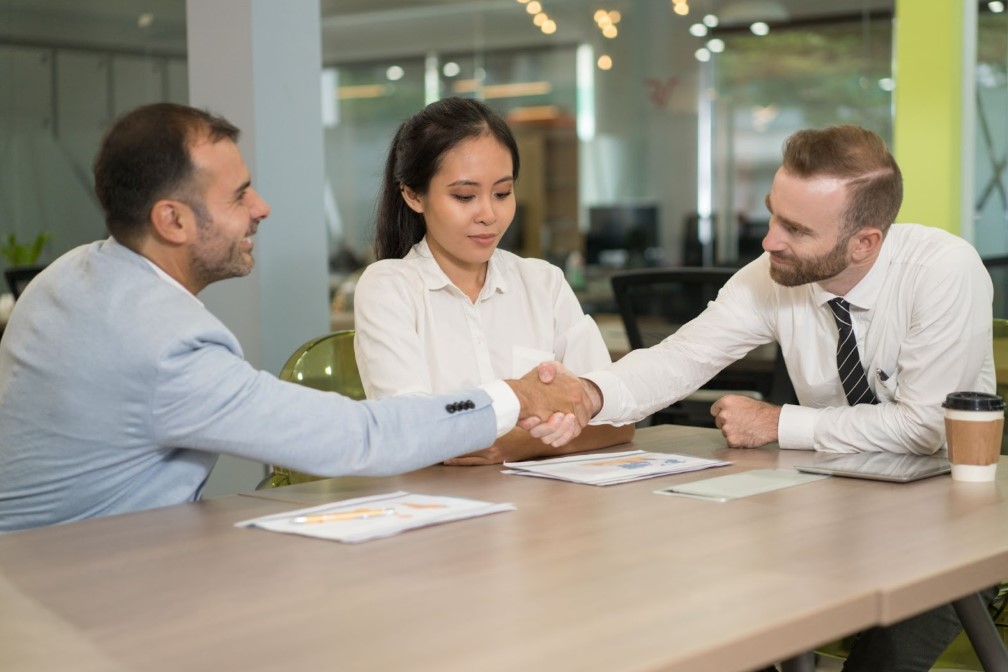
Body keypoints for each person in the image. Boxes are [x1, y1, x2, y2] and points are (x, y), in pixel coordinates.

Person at [0, 102, 591, 534]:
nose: (262, 208)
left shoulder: (66, 278)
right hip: (77, 591)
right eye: (239, 196)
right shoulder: (166, 347)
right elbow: (357, 440)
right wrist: (517, 396)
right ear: (172, 221)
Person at [560, 124, 995, 671]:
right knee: (713, 615)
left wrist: (778, 423)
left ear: (864, 243)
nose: (769, 241)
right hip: (826, 503)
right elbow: (681, 358)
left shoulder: (942, 270)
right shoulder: (771, 275)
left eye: (795, 228)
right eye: (772, 215)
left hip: (946, 517)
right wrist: (589, 394)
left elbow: (926, 428)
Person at [353, 97, 633, 465]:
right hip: (438, 497)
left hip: (547, 497)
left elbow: (617, 421)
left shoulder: (543, 284)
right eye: (464, 196)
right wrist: (526, 416)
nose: (489, 214)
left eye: (502, 193)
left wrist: (517, 444)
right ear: (413, 194)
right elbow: (411, 430)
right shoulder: (389, 288)